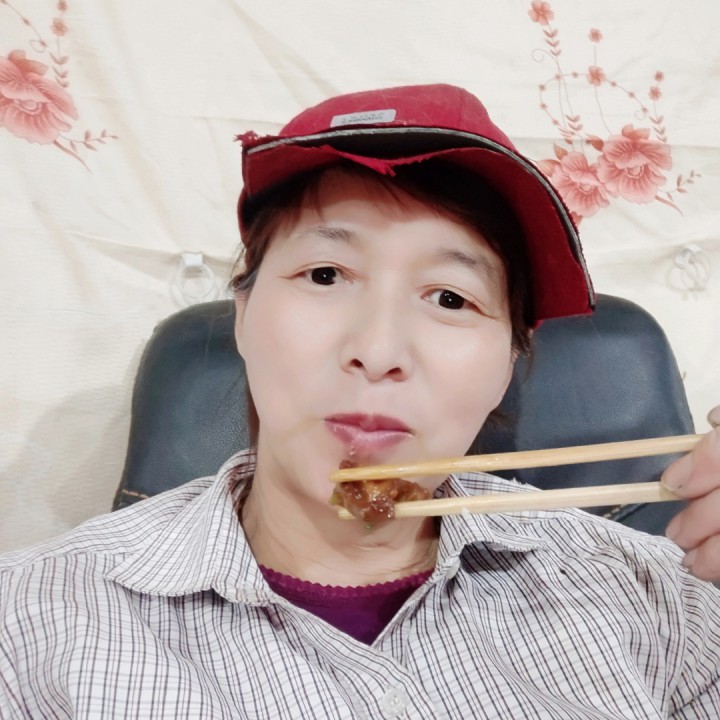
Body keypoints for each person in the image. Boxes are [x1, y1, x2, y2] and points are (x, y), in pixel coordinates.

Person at [1, 84, 719, 718]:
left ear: (509, 361)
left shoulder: (651, 597)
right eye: (324, 274)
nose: (377, 350)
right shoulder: (30, 628)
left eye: (451, 297)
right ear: (243, 315)